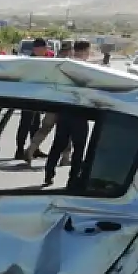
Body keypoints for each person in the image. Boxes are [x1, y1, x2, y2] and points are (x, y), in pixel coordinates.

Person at [42, 40, 92, 186]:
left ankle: (49, 173)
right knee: (79, 148)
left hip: (64, 112)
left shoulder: (65, 66)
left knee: (58, 144)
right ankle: (73, 179)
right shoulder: (88, 69)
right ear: (84, 51)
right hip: (79, 114)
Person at [14, 38, 49, 160]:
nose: (45, 50)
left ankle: (34, 149)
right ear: (36, 48)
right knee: (25, 124)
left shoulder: (42, 61)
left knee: (35, 124)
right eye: (44, 48)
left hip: (38, 97)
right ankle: (19, 149)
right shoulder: (31, 62)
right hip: (28, 97)